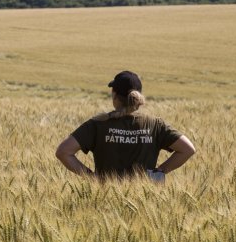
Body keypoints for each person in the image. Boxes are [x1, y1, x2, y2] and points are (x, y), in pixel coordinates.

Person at [56, 70, 195, 179]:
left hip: (105, 198)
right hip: (145, 199)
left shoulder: (98, 124)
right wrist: (158, 173)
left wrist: (92, 178)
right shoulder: (155, 124)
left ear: (115, 96)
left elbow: (63, 152)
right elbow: (187, 149)